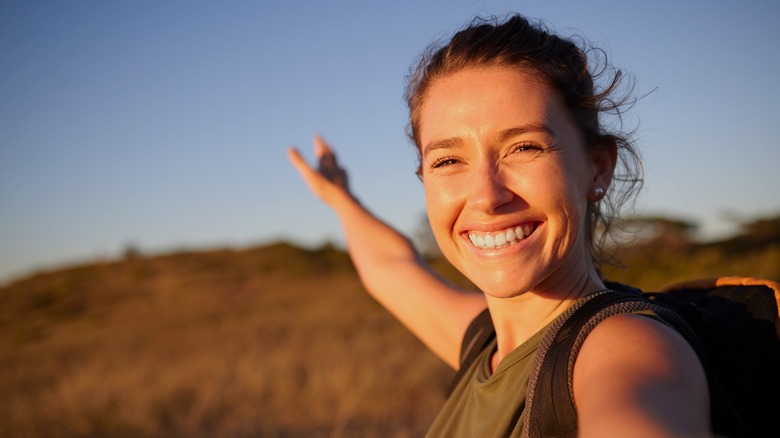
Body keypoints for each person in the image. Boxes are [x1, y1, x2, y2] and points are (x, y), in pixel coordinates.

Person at [287, 14, 712, 438]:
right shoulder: (485, 343)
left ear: (597, 168)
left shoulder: (625, 347)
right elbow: (392, 269)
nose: (487, 196)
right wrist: (341, 200)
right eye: (448, 160)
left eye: (524, 147)